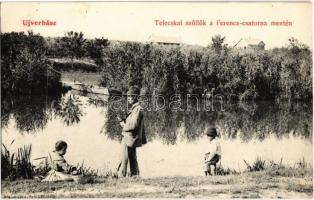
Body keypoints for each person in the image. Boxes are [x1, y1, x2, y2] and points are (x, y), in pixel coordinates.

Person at [117, 86, 147, 177]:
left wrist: (123, 124)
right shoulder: (136, 108)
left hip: (129, 138)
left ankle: (121, 177)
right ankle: (135, 176)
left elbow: (133, 125)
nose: (129, 98)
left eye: (132, 96)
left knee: (124, 157)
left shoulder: (137, 109)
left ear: (137, 97)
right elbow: (133, 122)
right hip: (132, 138)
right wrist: (124, 120)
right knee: (132, 158)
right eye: (128, 96)